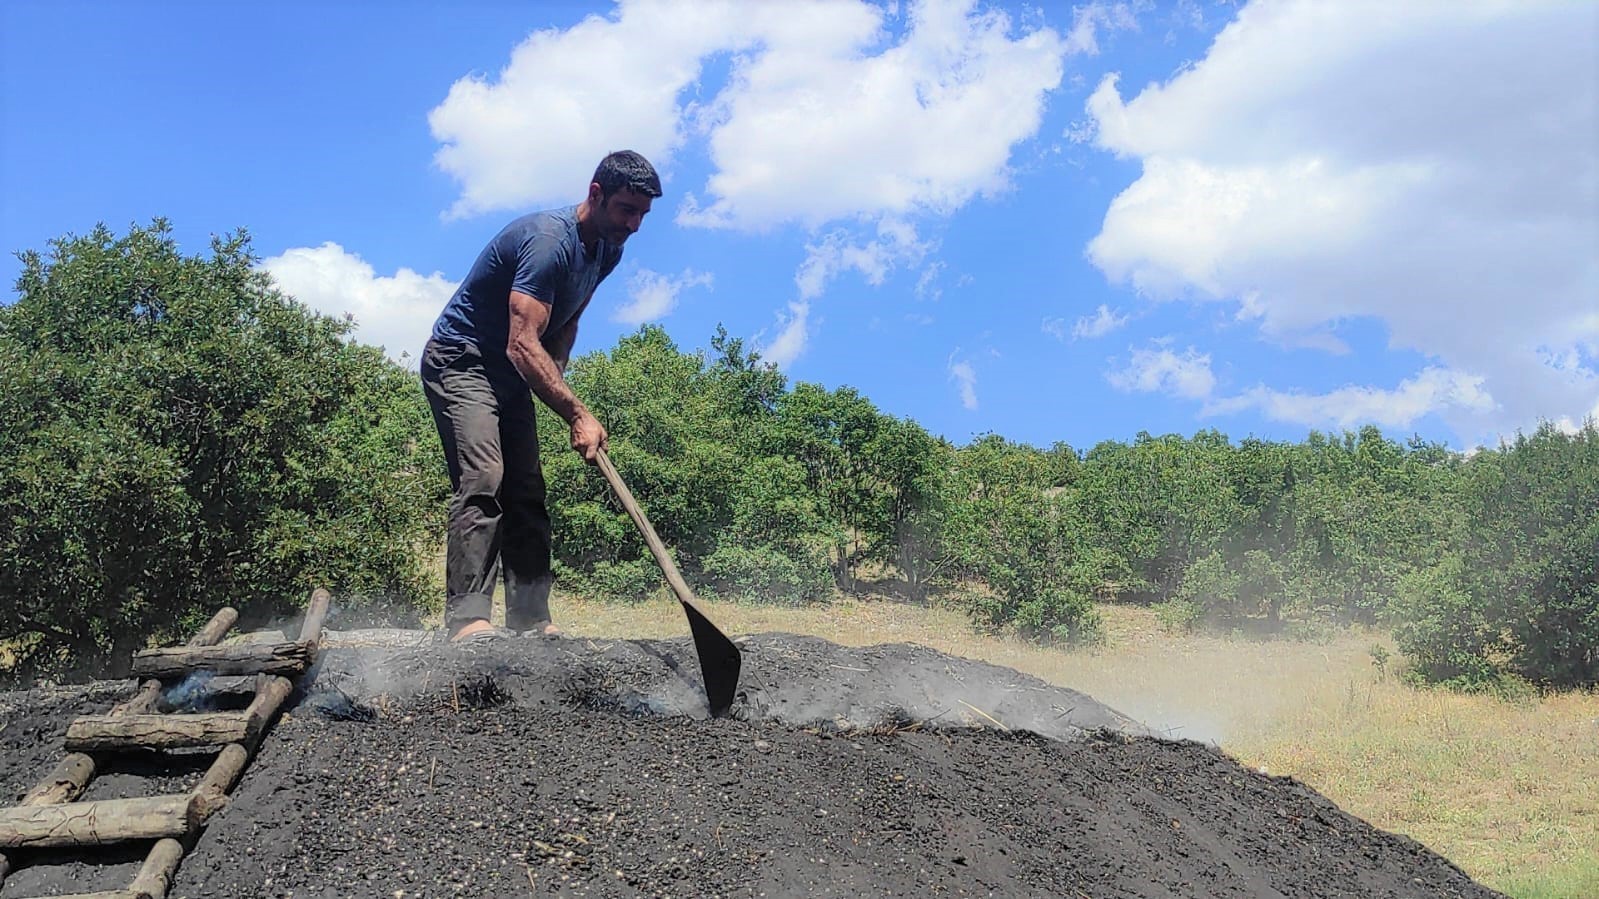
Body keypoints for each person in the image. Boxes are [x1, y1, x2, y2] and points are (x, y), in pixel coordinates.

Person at [421, 150, 660, 642]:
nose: (634, 224)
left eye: (642, 214)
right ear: (595, 194)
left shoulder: (607, 249)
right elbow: (520, 341)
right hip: (462, 359)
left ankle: (530, 618)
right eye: (625, 210)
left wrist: (558, 388)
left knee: (527, 489)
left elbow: (565, 323)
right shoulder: (549, 241)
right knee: (485, 475)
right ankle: (469, 621)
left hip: (511, 371)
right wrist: (576, 411)